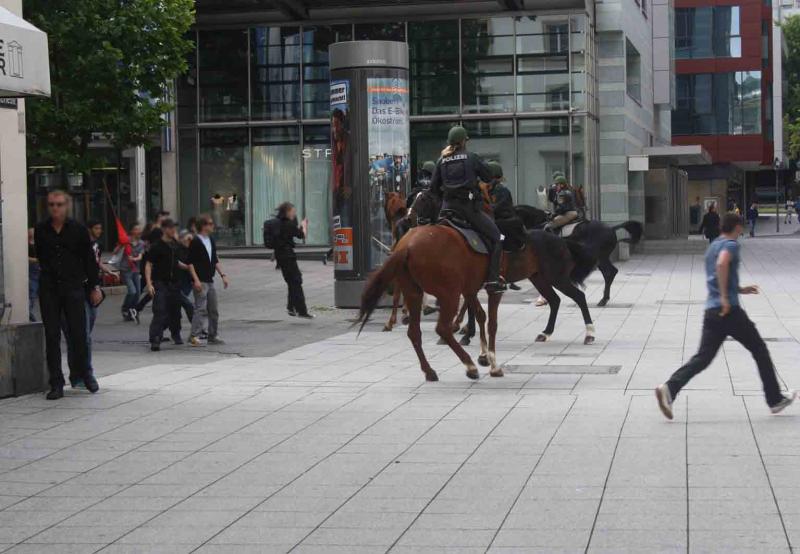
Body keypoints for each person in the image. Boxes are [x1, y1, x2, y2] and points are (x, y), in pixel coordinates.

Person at [656, 212, 796, 419]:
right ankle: (774, 400)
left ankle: (669, 388)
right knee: (759, 348)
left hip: (712, 311)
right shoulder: (731, 245)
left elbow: (717, 272)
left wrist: (738, 289)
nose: (742, 230)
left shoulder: (713, 246)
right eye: (742, 227)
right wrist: (725, 297)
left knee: (703, 358)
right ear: (737, 227)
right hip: (729, 311)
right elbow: (722, 265)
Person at [35, 190, 102, 399]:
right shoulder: (41, 230)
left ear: (67, 206)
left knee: (78, 334)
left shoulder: (79, 230)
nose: (55, 208)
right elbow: (41, 257)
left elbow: (89, 260)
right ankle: (56, 382)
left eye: (59, 204)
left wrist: (94, 286)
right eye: (52, 204)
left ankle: (85, 373)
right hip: (50, 289)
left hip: (74, 288)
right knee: (52, 336)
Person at [430, 125, 506, 293]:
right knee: (497, 238)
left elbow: (433, 188)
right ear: (464, 141)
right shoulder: (471, 157)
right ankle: (493, 280)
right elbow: (487, 176)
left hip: (446, 209)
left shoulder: (441, 160)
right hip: (468, 209)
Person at [187, 215, 230, 346]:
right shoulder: (195, 241)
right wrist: (196, 280)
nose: (213, 226)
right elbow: (190, 263)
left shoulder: (211, 239)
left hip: (209, 279)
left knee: (213, 309)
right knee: (200, 309)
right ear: (203, 226)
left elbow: (214, 259)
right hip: (200, 280)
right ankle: (194, 336)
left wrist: (223, 275)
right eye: (210, 224)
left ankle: (213, 335)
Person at [144, 219, 185, 351]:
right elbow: (148, 264)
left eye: (174, 228)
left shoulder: (175, 245)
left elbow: (177, 262)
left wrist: (189, 268)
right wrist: (149, 283)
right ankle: (155, 338)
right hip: (160, 282)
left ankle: (176, 333)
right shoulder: (157, 246)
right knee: (160, 310)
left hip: (174, 283)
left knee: (175, 310)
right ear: (164, 229)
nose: (174, 230)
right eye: (171, 228)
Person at [274, 202, 313, 318]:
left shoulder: (278, 223)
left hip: (280, 256)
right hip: (288, 256)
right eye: (293, 212)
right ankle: (302, 311)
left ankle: (291, 307)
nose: (294, 214)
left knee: (292, 282)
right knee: (296, 281)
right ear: (287, 212)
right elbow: (302, 235)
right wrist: (304, 225)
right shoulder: (288, 224)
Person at [118, 224, 145, 321]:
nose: (139, 231)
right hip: (125, 270)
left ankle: (132, 310)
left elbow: (141, 256)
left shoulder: (141, 243)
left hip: (135, 271)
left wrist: (134, 258)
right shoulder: (126, 241)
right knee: (132, 291)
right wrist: (121, 245)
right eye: (137, 229)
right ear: (132, 231)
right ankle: (125, 308)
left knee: (137, 293)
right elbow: (116, 251)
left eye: (140, 230)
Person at [177, 230, 196, 327]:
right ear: (180, 239)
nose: (189, 241)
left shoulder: (191, 249)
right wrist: (189, 267)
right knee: (187, 304)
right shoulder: (177, 249)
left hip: (187, 281)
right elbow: (178, 263)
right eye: (187, 239)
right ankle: (197, 329)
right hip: (176, 282)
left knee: (182, 305)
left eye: (191, 240)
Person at [28, 228, 40, 322]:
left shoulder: (40, 242)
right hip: (32, 269)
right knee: (32, 291)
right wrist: (35, 260)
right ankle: (28, 312)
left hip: (39, 269)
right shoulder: (27, 244)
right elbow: (24, 257)